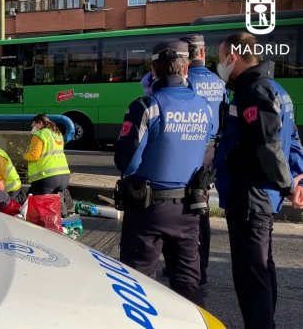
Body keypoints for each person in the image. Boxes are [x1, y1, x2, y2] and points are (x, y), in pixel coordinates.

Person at [114, 39, 214, 307]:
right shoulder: (204, 107)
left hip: (149, 210)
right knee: (188, 285)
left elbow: (128, 162)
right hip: (189, 210)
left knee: (138, 282)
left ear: (154, 69)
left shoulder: (146, 106)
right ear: (187, 68)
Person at [215, 32, 303, 329]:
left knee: (252, 273)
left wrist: (288, 184)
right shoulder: (276, 88)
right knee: (262, 268)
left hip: (251, 195)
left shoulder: (253, 91)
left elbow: (267, 145)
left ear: (233, 57)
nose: (220, 64)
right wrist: (296, 177)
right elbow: (292, 140)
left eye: (221, 57)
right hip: (260, 195)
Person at [178, 34, 227, 291]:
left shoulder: (185, 81)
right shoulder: (218, 82)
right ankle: (202, 268)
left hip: (189, 148)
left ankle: (186, 267)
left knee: (182, 205)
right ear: (203, 52)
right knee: (201, 206)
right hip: (212, 151)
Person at [23, 114, 70, 195]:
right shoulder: (57, 134)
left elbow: (34, 156)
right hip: (64, 176)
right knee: (52, 203)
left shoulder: (39, 134)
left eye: (34, 123)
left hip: (47, 178)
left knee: (34, 202)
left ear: (40, 123)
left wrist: (24, 155)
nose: (32, 125)